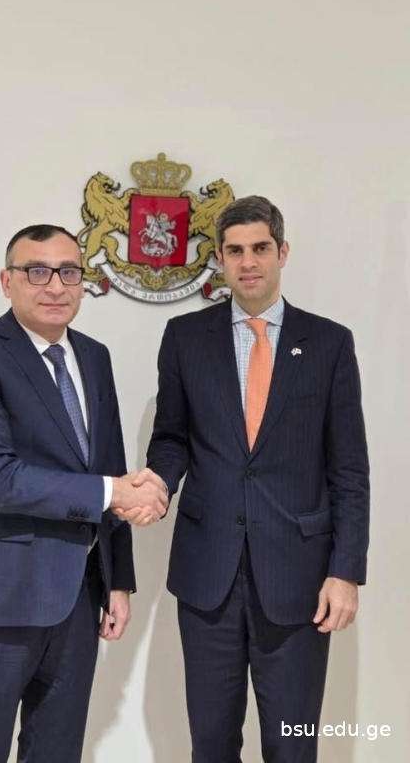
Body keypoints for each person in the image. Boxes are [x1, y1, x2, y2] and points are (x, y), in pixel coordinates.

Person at [127, 196, 370, 762]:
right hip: (207, 573)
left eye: (260, 248)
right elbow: (172, 437)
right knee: (211, 743)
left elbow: (349, 469)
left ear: (282, 252)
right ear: (220, 258)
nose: (248, 262)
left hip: (299, 578)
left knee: (292, 745)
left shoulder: (330, 343)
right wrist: (159, 484)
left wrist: (345, 571)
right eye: (234, 251)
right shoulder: (185, 337)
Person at [0, 224, 167, 763]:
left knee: (58, 752)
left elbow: (108, 465)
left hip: (78, 597)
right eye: (37, 271)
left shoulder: (94, 357)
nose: (55, 286)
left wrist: (118, 579)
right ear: (6, 281)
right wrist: (115, 491)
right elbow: (0, 481)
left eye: (69, 272)